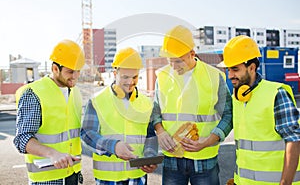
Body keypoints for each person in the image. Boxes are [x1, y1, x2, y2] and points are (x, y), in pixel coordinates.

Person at [186, 35, 300, 185]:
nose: (230, 75)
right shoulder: (238, 98)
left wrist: (285, 183)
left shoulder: (276, 94)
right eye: (228, 69)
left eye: (235, 69)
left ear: (252, 68)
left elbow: (294, 139)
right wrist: (204, 143)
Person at [151, 25, 233, 185]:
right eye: (170, 61)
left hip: (204, 158)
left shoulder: (214, 76)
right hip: (172, 158)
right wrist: (160, 131)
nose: (174, 66)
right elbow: (155, 110)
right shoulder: (162, 76)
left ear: (192, 54)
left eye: (178, 61)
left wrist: (208, 140)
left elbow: (229, 114)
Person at [81, 47, 158, 185]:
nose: (130, 82)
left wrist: (150, 156)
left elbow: (150, 135)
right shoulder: (97, 101)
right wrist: (113, 146)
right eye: (125, 77)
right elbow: (87, 134)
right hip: (108, 179)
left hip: (137, 176)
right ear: (115, 73)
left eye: (134, 77)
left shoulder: (146, 103)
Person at [13, 40, 85, 185]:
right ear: (55, 69)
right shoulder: (34, 93)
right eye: (70, 71)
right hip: (47, 180)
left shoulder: (75, 92)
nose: (75, 76)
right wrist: (52, 153)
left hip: (73, 174)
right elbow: (22, 139)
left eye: (78, 71)